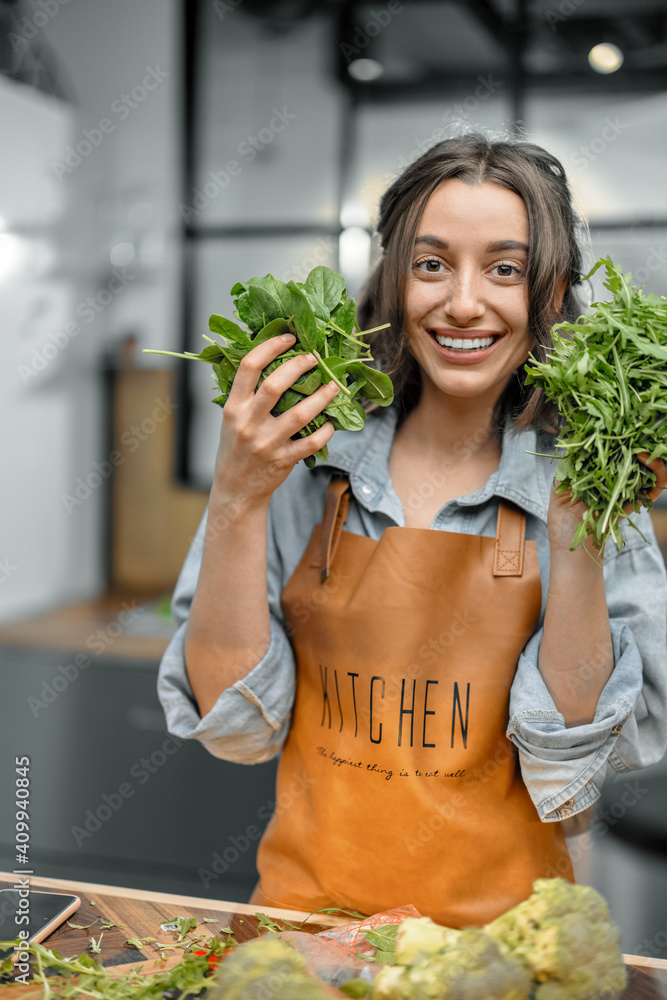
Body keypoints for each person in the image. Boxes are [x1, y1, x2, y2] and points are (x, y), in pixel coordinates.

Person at [157, 132, 667, 927]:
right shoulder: (306, 462)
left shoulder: (594, 488)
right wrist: (235, 497)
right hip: (306, 939)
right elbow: (233, 727)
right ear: (395, 278)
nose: (462, 302)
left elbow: (571, 764)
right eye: (431, 263)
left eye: (504, 268)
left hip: (502, 957)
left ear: (552, 287)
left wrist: (576, 535)